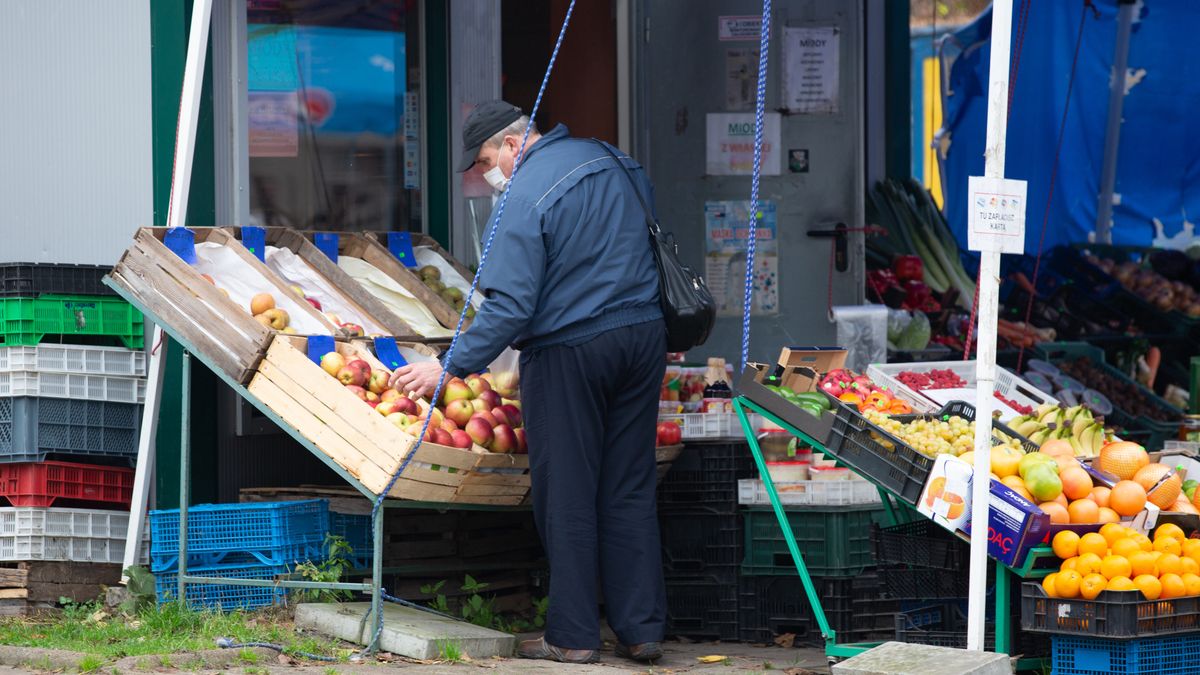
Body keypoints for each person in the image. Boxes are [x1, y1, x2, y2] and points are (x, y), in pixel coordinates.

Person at [389, 100, 668, 664]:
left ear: (514, 145)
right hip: (643, 339)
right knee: (629, 485)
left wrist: (450, 366)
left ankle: (572, 636)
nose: (488, 173)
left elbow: (511, 306)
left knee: (566, 491)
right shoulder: (617, 161)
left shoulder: (524, 192)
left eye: (489, 159)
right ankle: (641, 630)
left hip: (572, 350)